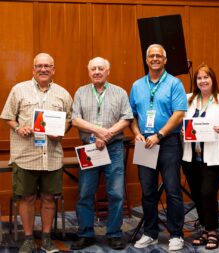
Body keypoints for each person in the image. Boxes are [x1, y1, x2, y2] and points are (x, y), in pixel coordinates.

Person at [0, 53, 73, 253]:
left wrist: (61, 131)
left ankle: (47, 238)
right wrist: (18, 128)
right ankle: (28, 239)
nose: (43, 69)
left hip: (52, 157)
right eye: (39, 66)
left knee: (49, 198)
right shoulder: (19, 90)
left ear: (53, 69)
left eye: (47, 66)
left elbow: (69, 119)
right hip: (25, 156)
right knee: (27, 198)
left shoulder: (63, 94)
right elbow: (7, 116)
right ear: (33, 69)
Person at [70, 57, 133, 250]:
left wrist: (107, 135)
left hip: (113, 148)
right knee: (85, 192)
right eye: (93, 69)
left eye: (101, 69)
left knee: (115, 193)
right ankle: (85, 233)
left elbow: (127, 118)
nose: (97, 72)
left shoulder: (120, 92)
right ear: (88, 72)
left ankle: (114, 233)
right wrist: (98, 131)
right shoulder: (81, 92)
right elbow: (75, 120)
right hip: (88, 148)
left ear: (108, 71)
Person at [129, 44, 187, 251]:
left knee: (172, 190)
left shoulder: (174, 83)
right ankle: (150, 232)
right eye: (151, 56)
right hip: (144, 143)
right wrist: (136, 133)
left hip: (168, 142)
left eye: (158, 56)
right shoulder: (137, 85)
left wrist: (159, 135)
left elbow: (179, 114)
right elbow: (132, 116)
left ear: (165, 60)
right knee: (147, 192)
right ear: (146, 60)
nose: (154, 59)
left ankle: (176, 234)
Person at [182, 64, 219, 250]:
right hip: (191, 157)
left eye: (206, 77)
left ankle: (212, 231)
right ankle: (204, 229)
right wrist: (182, 131)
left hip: (215, 157)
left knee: (208, 193)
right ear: (195, 81)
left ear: (213, 80)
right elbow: (179, 122)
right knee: (197, 195)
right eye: (199, 78)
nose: (203, 81)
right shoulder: (187, 100)